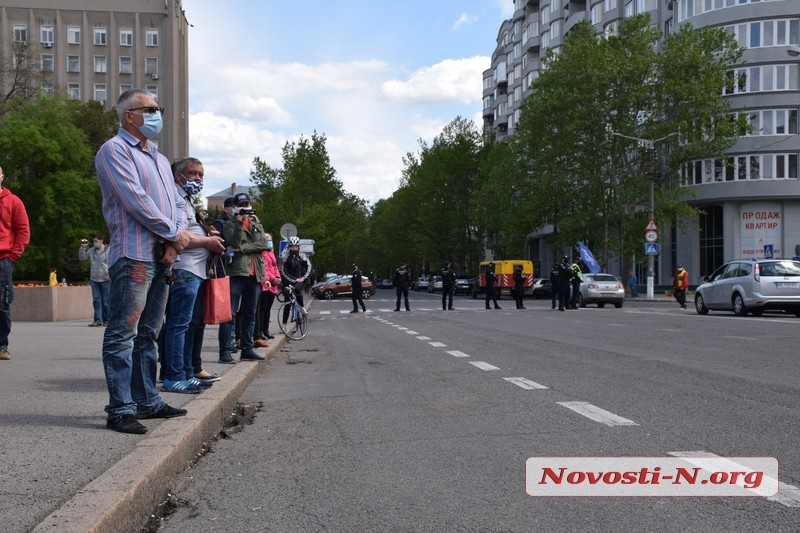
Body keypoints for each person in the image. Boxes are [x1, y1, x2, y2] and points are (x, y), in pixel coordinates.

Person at [95, 88, 193, 434]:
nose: (157, 114)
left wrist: (175, 240)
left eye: (157, 108)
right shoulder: (114, 151)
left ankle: (147, 400)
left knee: (149, 333)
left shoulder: (159, 158)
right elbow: (134, 200)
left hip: (162, 254)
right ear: (129, 116)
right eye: (150, 109)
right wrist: (173, 234)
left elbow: (176, 204)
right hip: (134, 254)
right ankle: (120, 408)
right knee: (124, 332)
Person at [161, 157, 225, 394]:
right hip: (184, 269)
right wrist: (208, 241)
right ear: (179, 176)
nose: (198, 178)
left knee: (188, 325)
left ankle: (187, 372)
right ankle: (174, 376)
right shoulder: (174, 198)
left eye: (201, 175)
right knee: (178, 325)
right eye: (193, 173)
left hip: (195, 272)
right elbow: (177, 235)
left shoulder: (186, 199)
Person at [221, 192, 268, 362]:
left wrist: (241, 249)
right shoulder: (229, 224)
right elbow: (233, 242)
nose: (245, 208)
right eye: (241, 205)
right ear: (234, 207)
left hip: (255, 274)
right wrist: (240, 224)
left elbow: (263, 245)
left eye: (247, 205)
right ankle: (225, 350)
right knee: (230, 314)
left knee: (250, 313)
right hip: (237, 272)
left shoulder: (257, 224)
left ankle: (247, 348)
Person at [0, 166, 30, 361]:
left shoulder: (13, 201)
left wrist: (12, 257)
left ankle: (2, 346)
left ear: (2, 177)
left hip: (3, 260)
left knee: (2, 304)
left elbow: (23, 231)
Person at [254, 232, 282, 342]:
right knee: (262, 310)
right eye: (267, 240)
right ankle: (259, 331)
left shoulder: (271, 253)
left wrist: (278, 277)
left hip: (273, 285)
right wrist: (272, 279)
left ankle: (266, 330)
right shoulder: (262, 253)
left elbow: (274, 267)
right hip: (265, 284)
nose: (269, 242)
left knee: (268, 309)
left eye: (270, 240)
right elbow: (264, 269)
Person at [79, 234, 111, 326]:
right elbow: (82, 258)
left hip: (106, 279)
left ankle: (107, 320)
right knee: (96, 300)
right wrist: (82, 248)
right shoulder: (92, 250)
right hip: (94, 279)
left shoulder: (109, 250)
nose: (94, 243)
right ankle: (98, 321)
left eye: (96, 241)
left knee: (106, 301)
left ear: (101, 241)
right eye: (93, 241)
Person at [280, 235, 312, 322]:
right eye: (292, 247)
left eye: (296, 247)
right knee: (287, 303)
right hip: (289, 280)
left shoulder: (302, 256)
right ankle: (284, 324)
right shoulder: (286, 257)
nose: (294, 248)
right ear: (289, 247)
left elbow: (309, 267)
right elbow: (284, 271)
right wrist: (293, 280)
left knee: (297, 290)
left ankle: (302, 309)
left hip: (300, 279)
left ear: (298, 247)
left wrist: (303, 278)